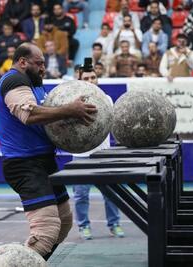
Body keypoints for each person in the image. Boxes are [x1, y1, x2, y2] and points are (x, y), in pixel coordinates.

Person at [0, 43, 97, 260]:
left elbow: (50, 115)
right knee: (46, 230)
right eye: (39, 63)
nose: (43, 68)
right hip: (24, 164)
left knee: (64, 222)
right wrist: (70, 110)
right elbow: (29, 115)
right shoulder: (14, 80)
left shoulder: (35, 84)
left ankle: (34, 263)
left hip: (44, 161)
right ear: (22, 62)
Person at [73, 58, 125, 240]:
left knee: (111, 194)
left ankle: (114, 224)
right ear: (80, 80)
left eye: (93, 78)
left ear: (97, 79)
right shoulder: (72, 102)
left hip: (104, 155)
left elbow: (113, 126)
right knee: (80, 195)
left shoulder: (107, 99)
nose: (90, 81)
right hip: (81, 155)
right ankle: (83, 226)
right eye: (86, 78)